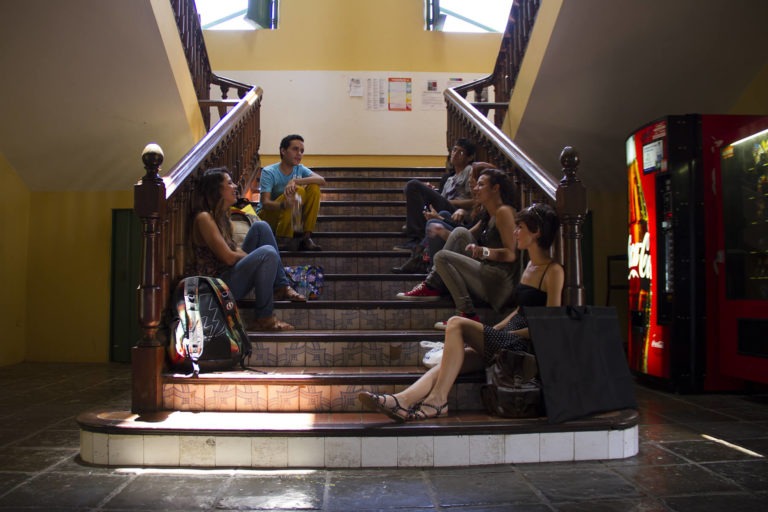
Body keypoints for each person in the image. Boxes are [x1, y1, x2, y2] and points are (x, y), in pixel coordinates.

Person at [359, 203, 564, 422]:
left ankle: (437, 401)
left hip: (521, 348)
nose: (515, 233)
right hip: (503, 341)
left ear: (537, 232)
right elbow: (519, 311)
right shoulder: (530, 265)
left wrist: (507, 335)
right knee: (447, 363)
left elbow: (549, 326)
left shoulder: (553, 271)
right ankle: (399, 400)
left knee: (456, 322)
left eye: (520, 227)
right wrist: (493, 331)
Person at [395, 169, 520, 329]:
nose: (475, 188)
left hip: (499, 283)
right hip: (487, 272)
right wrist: (442, 230)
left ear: (496, 188)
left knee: (442, 257)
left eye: (481, 185)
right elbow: (462, 237)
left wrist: (484, 251)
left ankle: (467, 313)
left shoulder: (504, 212)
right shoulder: (488, 213)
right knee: (460, 232)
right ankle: (432, 283)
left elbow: (511, 254)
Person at [191, 167, 297, 331]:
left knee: (261, 227)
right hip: (218, 287)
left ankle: (281, 285)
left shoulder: (222, 217)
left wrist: (253, 259)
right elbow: (228, 257)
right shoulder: (204, 218)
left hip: (230, 275)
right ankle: (265, 318)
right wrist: (256, 259)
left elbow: (235, 251)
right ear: (217, 190)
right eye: (229, 183)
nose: (235, 186)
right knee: (267, 253)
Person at [392, 162, 491, 274]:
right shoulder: (449, 179)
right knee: (442, 214)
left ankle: (428, 266)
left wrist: (444, 221)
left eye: (474, 178)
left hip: (473, 246)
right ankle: (421, 257)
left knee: (434, 221)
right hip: (465, 232)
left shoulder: (493, 209)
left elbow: (470, 233)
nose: (470, 180)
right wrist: (441, 217)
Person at [394, 138, 477, 252]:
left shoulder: (469, 171)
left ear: (470, 157)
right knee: (414, 190)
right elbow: (442, 201)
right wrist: (432, 193)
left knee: (413, 185)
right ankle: (416, 228)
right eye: (454, 150)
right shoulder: (449, 179)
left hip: (458, 214)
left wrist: (450, 202)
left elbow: (475, 201)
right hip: (445, 211)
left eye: (461, 152)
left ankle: (415, 238)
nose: (455, 154)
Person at [256, 134, 326, 251]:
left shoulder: (300, 168)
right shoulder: (269, 172)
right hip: (268, 218)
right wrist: (284, 205)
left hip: (293, 219)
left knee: (314, 187)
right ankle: (282, 239)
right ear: (283, 151)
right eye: (295, 149)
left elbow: (321, 180)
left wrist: (295, 180)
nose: (299, 154)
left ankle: (306, 237)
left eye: (302, 151)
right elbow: (265, 203)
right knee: (298, 190)